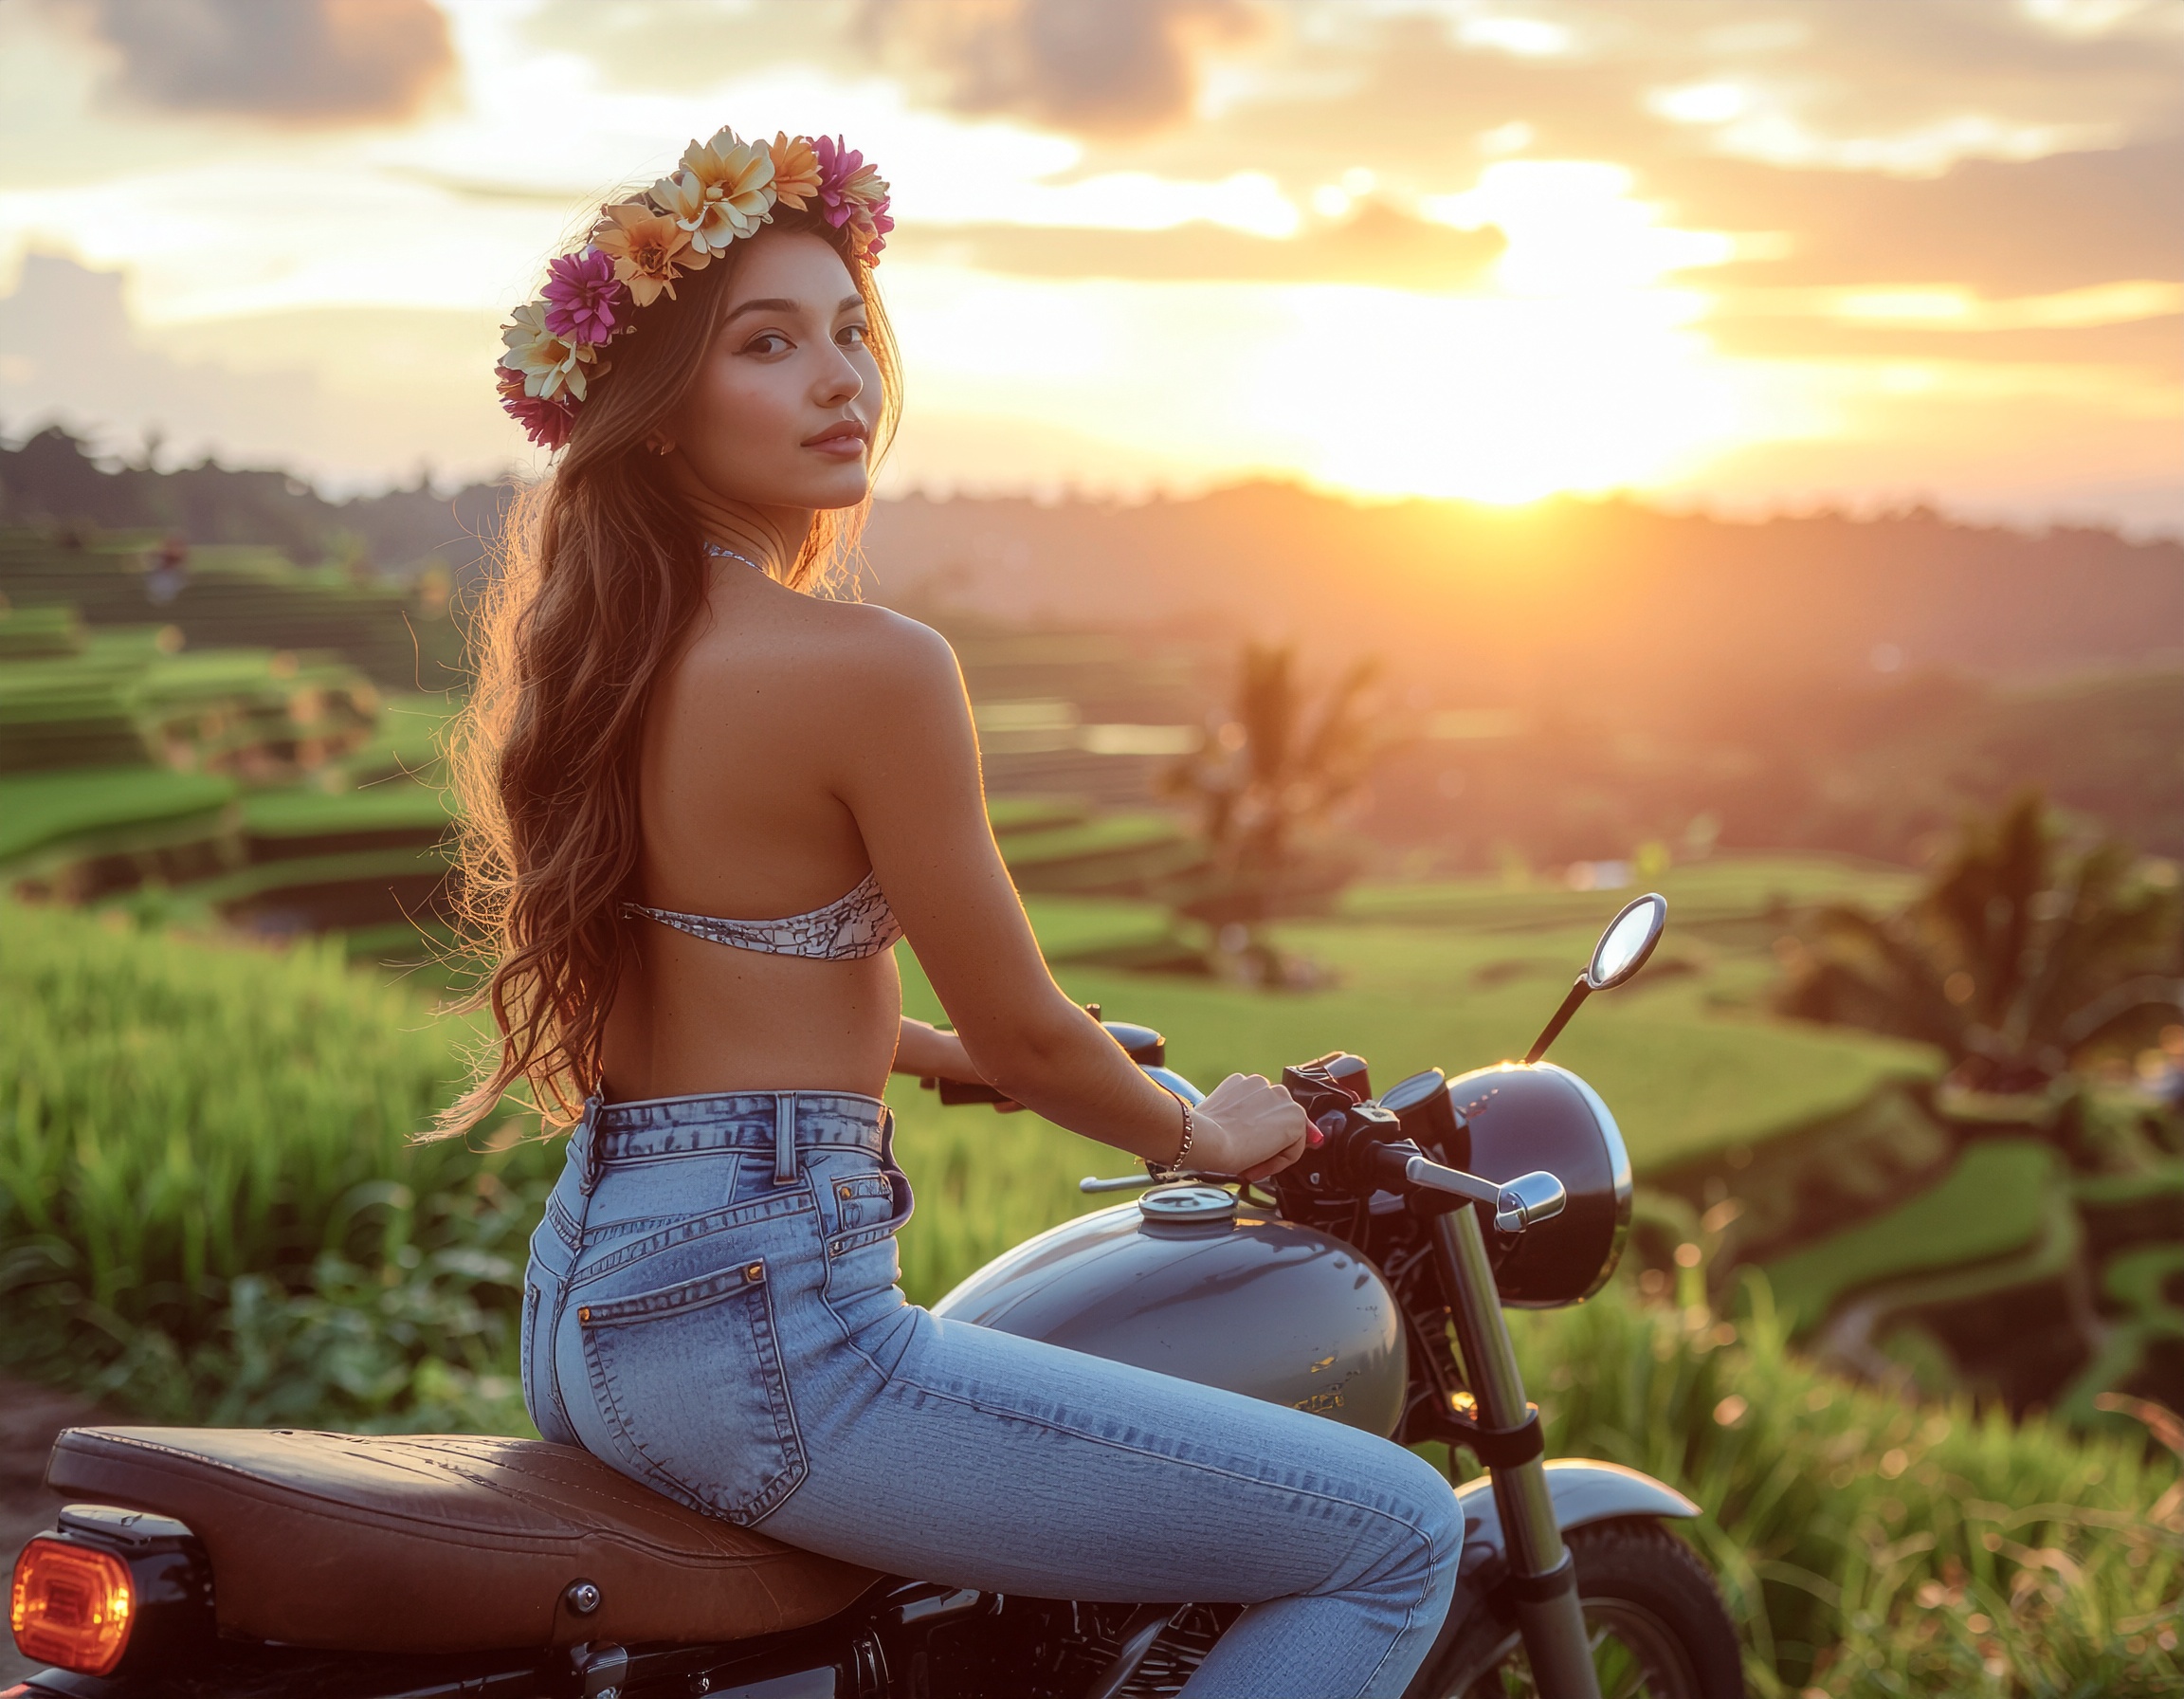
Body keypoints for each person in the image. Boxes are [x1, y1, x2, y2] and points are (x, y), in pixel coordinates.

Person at [439, 124, 1463, 1698]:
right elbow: (1038, 1034)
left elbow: (712, 953)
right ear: (655, 415)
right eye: (768, 344)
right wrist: (1207, 1136)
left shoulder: (603, 661)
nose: (840, 377)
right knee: (1393, 1534)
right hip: (764, 1328)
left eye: (852, 332)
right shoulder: (872, 668)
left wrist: (907, 1048)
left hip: (594, 1293)